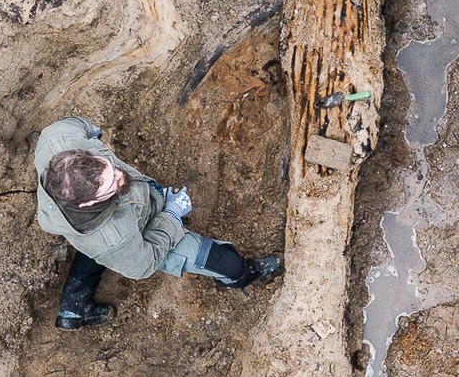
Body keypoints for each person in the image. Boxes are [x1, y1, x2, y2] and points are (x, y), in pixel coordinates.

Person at [34, 115, 282, 329]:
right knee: (226, 261)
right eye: (112, 184)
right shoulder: (114, 238)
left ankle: (74, 307)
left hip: (110, 233)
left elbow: (76, 124)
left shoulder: (58, 140)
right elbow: (143, 264)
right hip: (142, 234)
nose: (120, 176)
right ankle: (241, 277)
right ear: (87, 204)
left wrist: (93, 130)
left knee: (96, 251)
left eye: (110, 167)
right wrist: (171, 215)